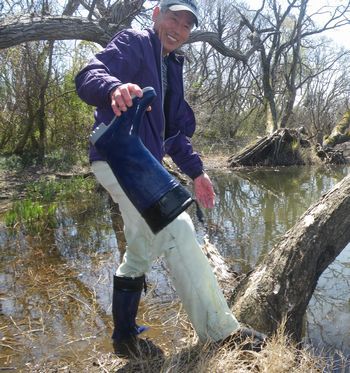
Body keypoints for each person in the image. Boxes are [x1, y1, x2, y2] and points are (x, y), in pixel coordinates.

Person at [75, 0, 265, 357]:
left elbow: (174, 135)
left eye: (187, 24)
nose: (178, 29)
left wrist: (197, 172)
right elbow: (88, 74)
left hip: (147, 164)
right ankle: (221, 332)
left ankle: (124, 336)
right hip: (119, 158)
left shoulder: (173, 66)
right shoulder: (133, 42)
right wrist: (113, 87)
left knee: (140, 246)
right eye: (173, 18)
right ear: (156, 15)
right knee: (176, 227)